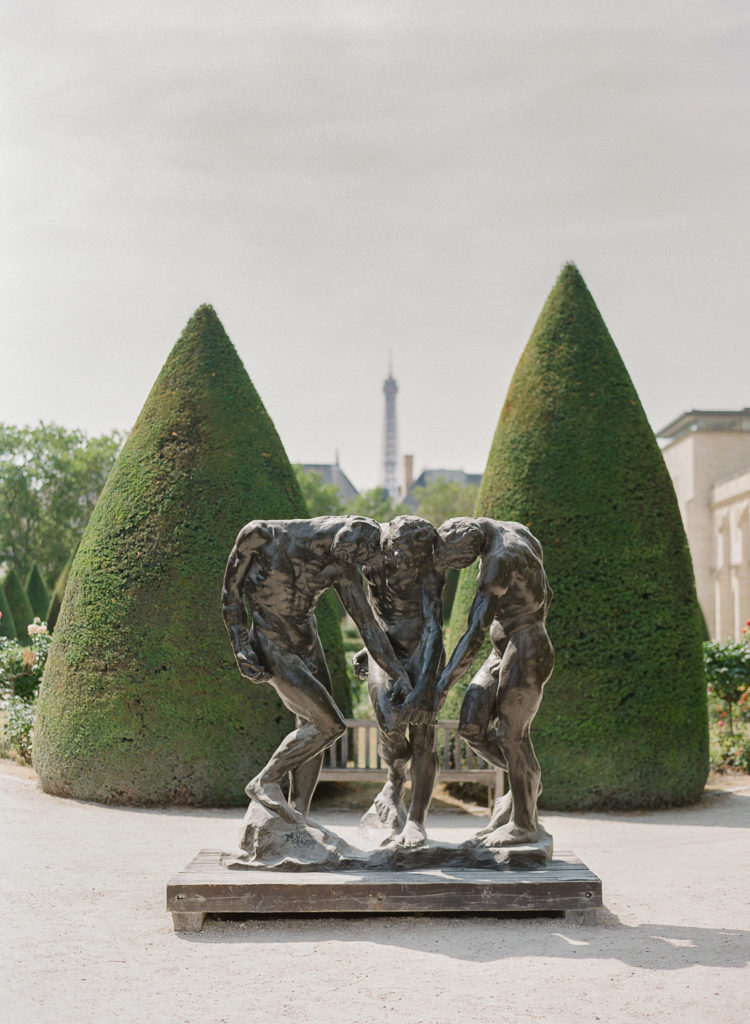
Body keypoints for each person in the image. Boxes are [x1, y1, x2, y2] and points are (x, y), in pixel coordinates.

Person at [222, 516, 411, 825]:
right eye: (358, 558)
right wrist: (241, 646)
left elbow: (367, 625)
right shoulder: (261, 536)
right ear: (345, 541)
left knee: (313, 723)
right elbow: (230, 593)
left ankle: (298, 816)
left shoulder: (342, 564)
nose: (356, 566)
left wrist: (397, 673)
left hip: (308, 643)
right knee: (329, 725)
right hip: (271, 642)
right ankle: (265, 780)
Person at [403, 516, 553, 847]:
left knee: (511, 736)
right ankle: (526, 781)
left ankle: (524, 824)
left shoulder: (498, 559)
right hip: (504, 647)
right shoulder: (514, 529)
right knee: (471, 727)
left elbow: (474, 633)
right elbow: (548, 592)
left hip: (527, 645)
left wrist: (440, 686)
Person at [353, 515, 445, 848]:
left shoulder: (429, 567)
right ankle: (394, 778)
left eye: (412, 557)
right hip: (385, 650)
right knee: (390, 726)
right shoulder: (370, 557)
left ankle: (417, 820)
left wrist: (426, 684)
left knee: (422, 736)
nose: (404, 562)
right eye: (398, 553)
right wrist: (369, 645)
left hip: (422, 650)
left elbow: (434, 626)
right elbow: (372, 612)